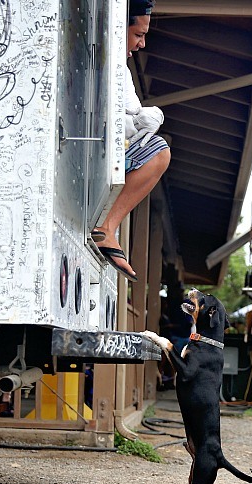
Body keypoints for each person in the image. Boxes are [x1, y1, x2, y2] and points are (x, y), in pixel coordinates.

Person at [90, 0, 171, 282]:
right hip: (90, 156)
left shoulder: (119, 69)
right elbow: (104, 119)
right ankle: (106, 228)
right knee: (159, 152)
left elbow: (128, 119)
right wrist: (138, 122)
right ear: (117, 26)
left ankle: (106, 227)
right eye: (138, 34)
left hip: (97, 157)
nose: (141, 45)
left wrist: (139, 121)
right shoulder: (98, 61)